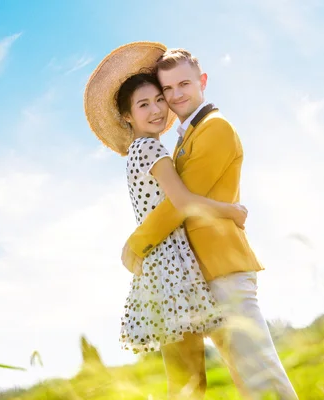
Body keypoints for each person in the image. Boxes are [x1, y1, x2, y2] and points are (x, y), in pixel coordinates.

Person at [120, 47, 299, 399]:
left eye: (182, 84)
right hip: (202, 277)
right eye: (167, 89)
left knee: (262, 378)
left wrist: (136, 244)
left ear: (202, 82)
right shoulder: (184, 138)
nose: (174, 96)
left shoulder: (214, 129)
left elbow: (179, 206)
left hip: (223, 269)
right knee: (248, 385)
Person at [84, 42, 250, 399]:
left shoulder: (136, 153)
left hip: (162, 269)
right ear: (127, 116)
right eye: (144, 105)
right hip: (172, 269)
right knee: (193, 382)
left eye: (159, 99)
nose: (158, 109)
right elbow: (185, 202)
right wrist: (232, 211)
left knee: (185, 381)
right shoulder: (153, 149)